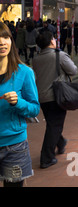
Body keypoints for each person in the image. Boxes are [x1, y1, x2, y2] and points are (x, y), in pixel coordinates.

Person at [0, 22, 40, 187]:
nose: (2, 42)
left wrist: (18, 102)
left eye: (5, 37)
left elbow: (34, 109)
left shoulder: (24, 72)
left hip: (14, 147)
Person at [32, 31, 78, 169]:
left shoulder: (36, 58)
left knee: (53, 123)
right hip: (57, 96)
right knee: (54, 125)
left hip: (42, 97)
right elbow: (73, 70)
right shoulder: (59, 55)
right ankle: (46, 158)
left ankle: (61, 142)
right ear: (52, 41)